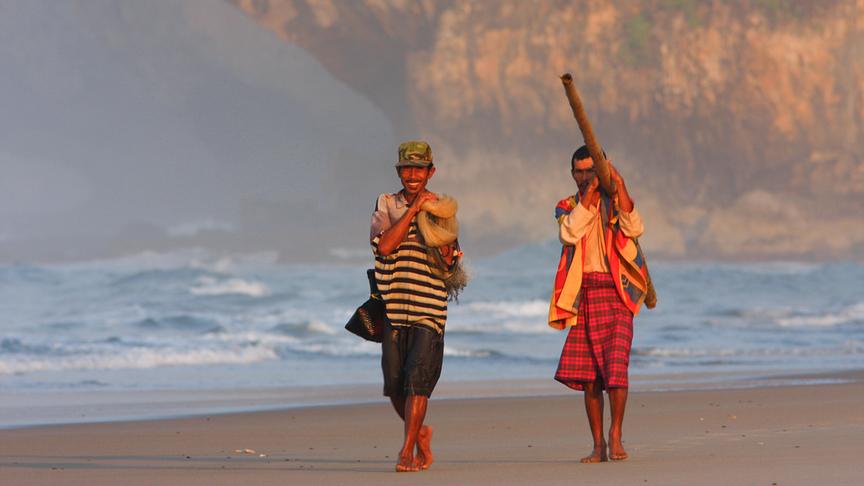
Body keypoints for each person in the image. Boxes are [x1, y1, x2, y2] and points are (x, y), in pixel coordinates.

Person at [548, 145, 650, 463]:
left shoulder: (615, 201)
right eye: (579, 172)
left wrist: (618, 183)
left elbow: (635, 227)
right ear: (572, 174)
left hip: (617, 295)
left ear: (601, 169)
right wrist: (590, 194)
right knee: (589, 376)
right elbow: (569, 232)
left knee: (616, 369)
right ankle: (598, 445)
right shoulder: (567, 206)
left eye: (591, 171)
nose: (584, 177)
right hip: (585, 295)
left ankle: (615, 435)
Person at [370, 140, 463, 472]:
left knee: (417, 384)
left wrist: (448, 255)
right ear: (399, 172)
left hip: (429, 309)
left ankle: (406, 451)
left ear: (430, 172)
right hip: (393, 308)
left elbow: (450, 263)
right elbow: (384, 247)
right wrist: (412, 211)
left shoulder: (442, 208)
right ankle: (420, 433)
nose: (412, 175)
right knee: (395, 387)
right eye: (406, 169)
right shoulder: (386, 203)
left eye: (419, 169)